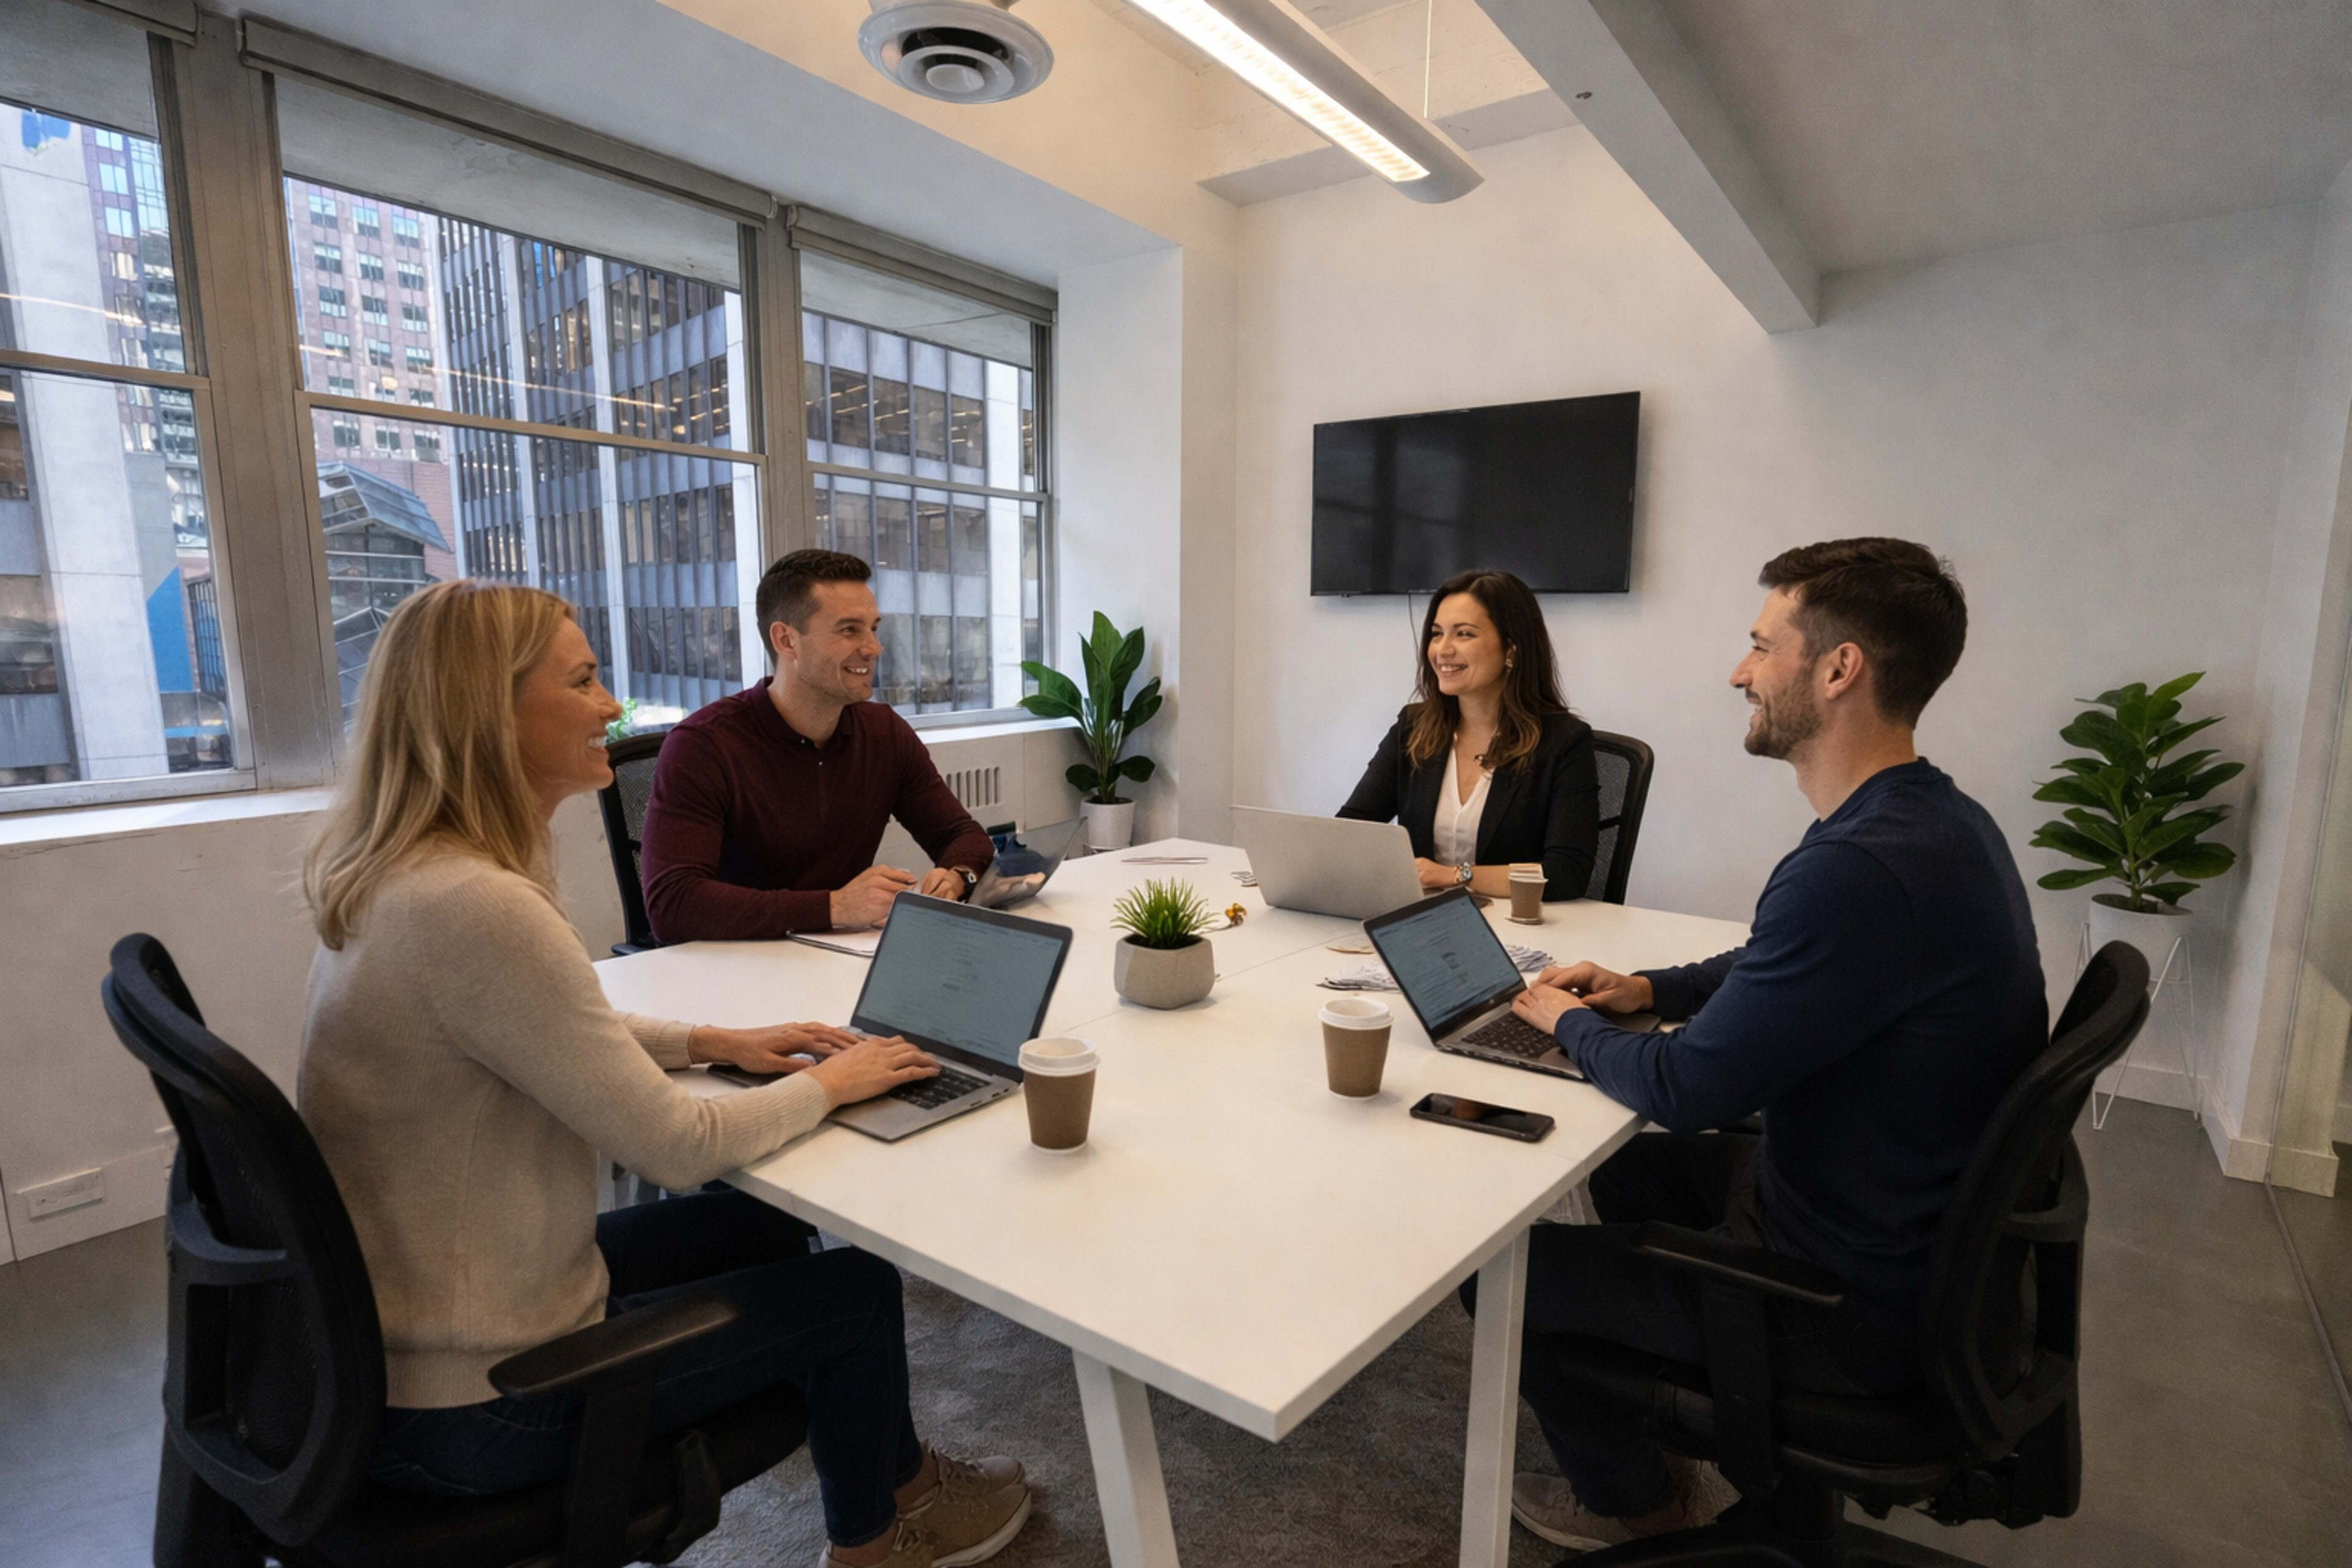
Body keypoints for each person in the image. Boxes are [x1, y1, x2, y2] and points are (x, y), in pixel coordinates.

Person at [299, 581, 1031, 1568]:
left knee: (769, 1222)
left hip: (407, 1336)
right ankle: (877, 1542)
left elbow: (558, 1020)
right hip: (481, 1403)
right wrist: (835, 1080)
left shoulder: (404, 877)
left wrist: (712, 1044)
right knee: (853, 1289)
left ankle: (897, 1483)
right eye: (585, 680)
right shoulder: (476, 908)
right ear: (490, 712)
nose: (612, 706)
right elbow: (676, 1147)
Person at [1496, 538, 2047, 1552]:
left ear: (1839, 670)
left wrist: (1564, 1022)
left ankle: (1643, 1515)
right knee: (1629, 1177)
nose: (1739, 672)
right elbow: (1775, 964)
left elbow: (1684, 1087)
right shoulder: (1927, 820)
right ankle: (1664, 1437)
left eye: (1761, 646)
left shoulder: (1859, 869)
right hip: (1890, 1230)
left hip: (1845, 1307)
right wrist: (1646, 987)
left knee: (1496, 1275)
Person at [639, 550, 994, 941]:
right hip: (732, 968)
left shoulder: (884, 733)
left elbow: (962, 836)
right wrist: (835, 907)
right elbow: (672, 905)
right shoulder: (703, 746)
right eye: (849, 630)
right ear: (786, 640)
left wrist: (959, 877)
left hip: (836, 956)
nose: (873, 647)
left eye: (873, 628)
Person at [1338, 568, 1600, 901]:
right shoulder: (1414, 728)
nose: (1442, 650)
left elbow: (1565, 873)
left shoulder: (1564, 742)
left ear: (1512, 650)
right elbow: (1353, 830)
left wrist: (1454, 876)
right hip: (1420, 922)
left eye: (1463, 634)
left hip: (1519, 929)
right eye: (1436, 634)